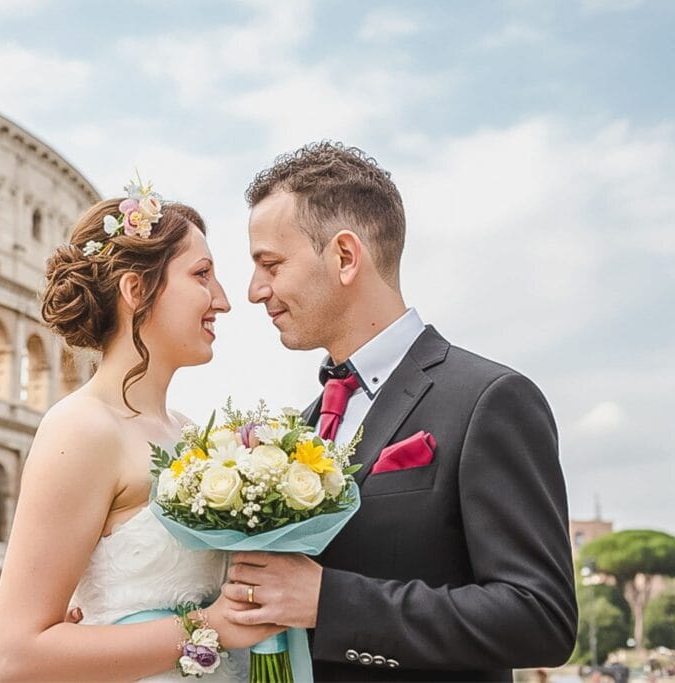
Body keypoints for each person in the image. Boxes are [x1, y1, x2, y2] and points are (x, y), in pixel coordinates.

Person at [220, 142, 578, 681]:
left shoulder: (490, 398)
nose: (254, 291)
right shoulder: (303, 423)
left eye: (270, 264)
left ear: (345, 256)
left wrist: (330, 601)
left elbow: (541, 617)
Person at [0, 187, 280, 682]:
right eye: (201, 275)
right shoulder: (80, 429)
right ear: (136, 290)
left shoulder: (191, 435)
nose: (223, 301)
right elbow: (17, 657)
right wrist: (212, 627)